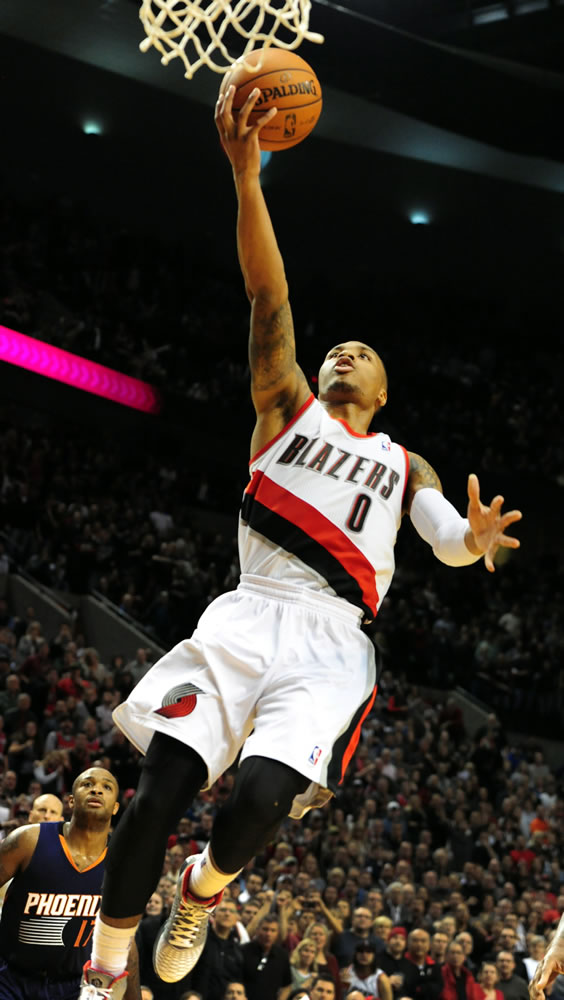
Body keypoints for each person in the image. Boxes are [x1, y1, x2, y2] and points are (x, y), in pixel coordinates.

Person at [78, 83, 522, 999]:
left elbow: (439, 540)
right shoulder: (285, 407)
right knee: (157, 795)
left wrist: (475, 544)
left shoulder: (406, 461)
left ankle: (203, 889)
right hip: (245, 618)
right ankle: (102, 977)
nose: (347, 350)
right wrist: (249, 177)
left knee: (257, 804)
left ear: (388, 392)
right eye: (340, 346)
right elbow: (266, 289)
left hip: (329, 641)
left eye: (366, 351)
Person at [0, 767, 140, 1000]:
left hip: (74, 987)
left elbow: (126, 941)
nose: (96, 789)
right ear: (71, 801)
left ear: (116, 807)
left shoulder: (123, 864)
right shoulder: (28, 840)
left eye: (106, 787)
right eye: (88, 784)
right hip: (11, 979)